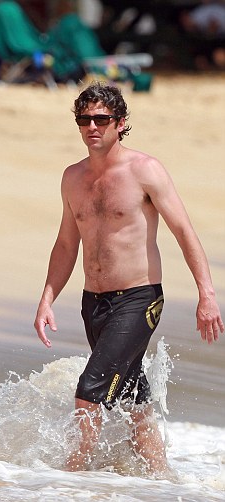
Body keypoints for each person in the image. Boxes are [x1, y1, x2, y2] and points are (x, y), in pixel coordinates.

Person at [34, 82, 223, 476]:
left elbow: (184, 231)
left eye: (101, 119)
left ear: (120, 123)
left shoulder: (145, 170)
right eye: (84, 119)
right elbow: (66, 243)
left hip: (138, 300)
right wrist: (47, 297)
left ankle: (69, 482)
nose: (92, 127)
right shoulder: (72, 177)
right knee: (133, 400)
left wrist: (207, 294)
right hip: (94, 303)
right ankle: (159, 480)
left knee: (90, 392)